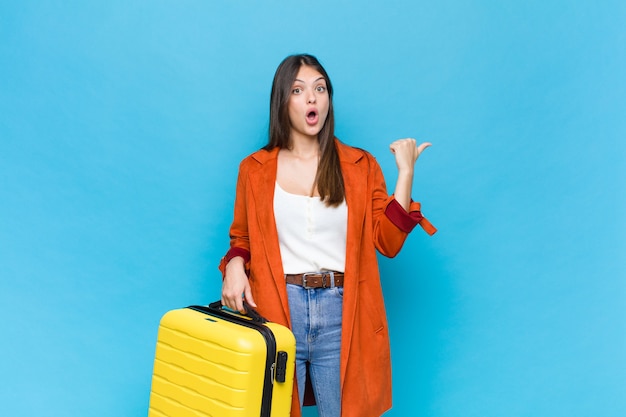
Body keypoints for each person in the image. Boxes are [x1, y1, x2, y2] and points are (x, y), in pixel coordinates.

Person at [219, 54, 436, 417]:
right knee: (270, 410)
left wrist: (405, 173)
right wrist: (235, 266)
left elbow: (388, 241)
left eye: (320, 89)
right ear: (282, 101)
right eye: (299, 90)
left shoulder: (358, 166)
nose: (312, 98)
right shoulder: (254, 170)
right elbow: (241, 237)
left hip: (340, 312)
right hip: (276, 310)